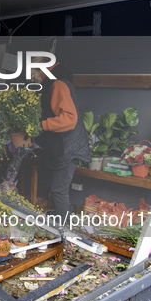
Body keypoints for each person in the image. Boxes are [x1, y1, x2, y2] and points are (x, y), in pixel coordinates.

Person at [30, 61, 90, 222]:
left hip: (68, 147)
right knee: (55, 185)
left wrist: (41, 125)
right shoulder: (55, 82)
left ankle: (62, 231)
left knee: (59, 189)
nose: (31, 78)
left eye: (32, 73)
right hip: (63, 146)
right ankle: (60, 217)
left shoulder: (58, 84)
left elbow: (69, 119)